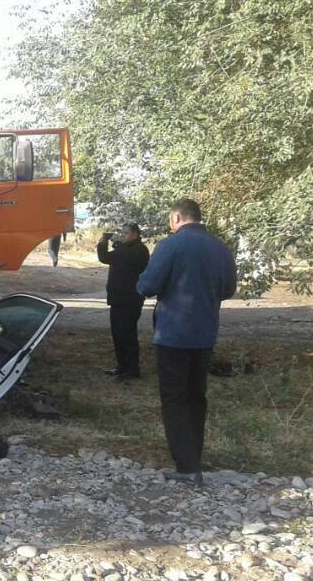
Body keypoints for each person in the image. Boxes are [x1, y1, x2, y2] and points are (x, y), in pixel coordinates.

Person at [137, 198, 237, 485]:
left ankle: (187, 467)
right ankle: (195, 456)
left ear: (177, 218)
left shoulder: (170, 246)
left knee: (174, 398)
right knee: (196, 397)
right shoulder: (220, 247)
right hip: (205, 333)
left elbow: (147, 286)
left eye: (171, 221)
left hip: (173, 334)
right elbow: (228, 288)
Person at [97, 223, 149, 381]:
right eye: (122, 232)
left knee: (128, 335)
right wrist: (103, 242)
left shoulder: (140, 249)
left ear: (135, 234)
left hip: (131, 300)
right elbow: (105, 258)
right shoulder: (123, 249)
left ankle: (132, 370)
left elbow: (128, 257)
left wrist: (119, 245)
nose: (122, 235)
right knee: (117, 334)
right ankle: (121, 367)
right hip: (117, 298)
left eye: (125, 233)